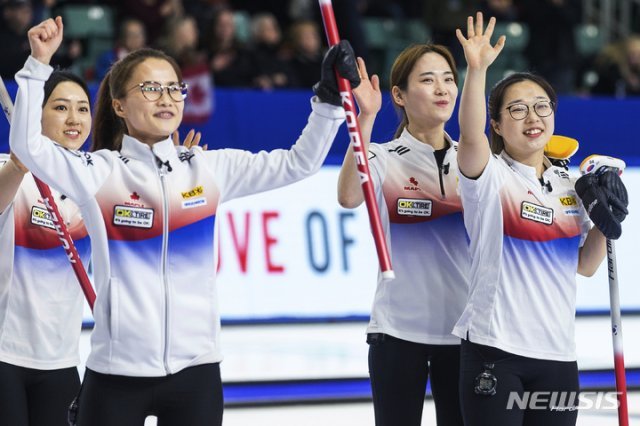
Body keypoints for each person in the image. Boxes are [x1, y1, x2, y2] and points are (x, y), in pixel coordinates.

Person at [11, 16, 359, 426]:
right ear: (119, 105)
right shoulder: (99, 172)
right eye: (150, 88)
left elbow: (299, 163)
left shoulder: (209, 169)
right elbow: (27, 146)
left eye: (174, 88)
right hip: (116, 373)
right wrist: (38, 65)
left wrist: (328, 101)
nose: (166, 98)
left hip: (197, 371)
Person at [454, 13, 628, 424]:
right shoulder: (489, 175)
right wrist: (476, 71)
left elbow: (584, 266)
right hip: (495, 352)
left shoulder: (572, 184)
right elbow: (471, 135)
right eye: (516, 110)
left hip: (557, 357)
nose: (532, 117)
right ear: (496, 122)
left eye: (541, 107)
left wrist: (609, 218)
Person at [337, 44, 468, 425]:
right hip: (396, 333)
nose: (442, 89)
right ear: (399, 94)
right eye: (428, 80)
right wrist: (366, 116)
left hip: (463, 334)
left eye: (448, 79)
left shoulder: (476, 162)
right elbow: (347, 196)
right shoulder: (382, 155)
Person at [0, 70, 92, 426]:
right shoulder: (10, 169)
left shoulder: (95, 181)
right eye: (61, 107)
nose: (74, 119)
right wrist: (18, 167)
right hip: (5, 357)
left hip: (61, 361)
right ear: (37, 115)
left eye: (83, 109)